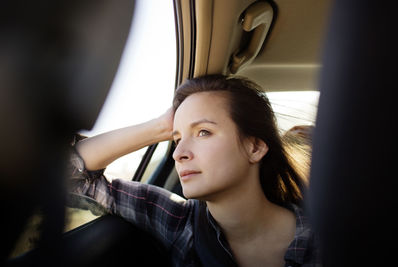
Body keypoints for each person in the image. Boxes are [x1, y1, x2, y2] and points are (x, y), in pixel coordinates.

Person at [69, 75, 320, 267]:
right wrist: (159, 128)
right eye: (177, 139)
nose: (179, 153)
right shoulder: (178, 221)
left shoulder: (329, 243)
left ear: (254, 147)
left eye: (203, 132)